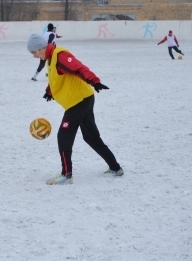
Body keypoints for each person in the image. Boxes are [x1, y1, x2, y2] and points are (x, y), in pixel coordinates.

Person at [26, 33, 124, 185]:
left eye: (34, 52)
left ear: (40, 48)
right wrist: (49, 92)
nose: (34, 56)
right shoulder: (50, 59)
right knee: (91, 137)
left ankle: (66, 174)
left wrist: (94, 81)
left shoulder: (60, 56)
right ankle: (115, 167)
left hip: (79, 101)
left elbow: (79, 68)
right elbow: (55, 77)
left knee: (63, 136)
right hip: (82, 99)